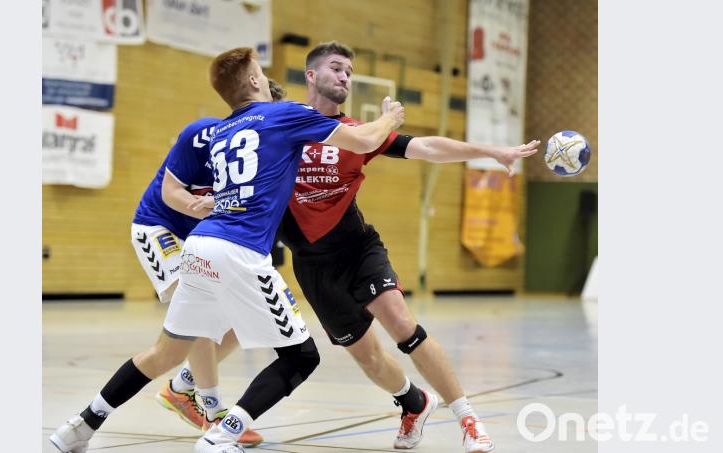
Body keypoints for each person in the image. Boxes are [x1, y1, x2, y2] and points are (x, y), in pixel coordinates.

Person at [49, 46, 404, 453]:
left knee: (167, 352)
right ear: (254, 81)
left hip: (200, 245)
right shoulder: (284, 115)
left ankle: (80, 426)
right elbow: (363, 139)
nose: (267, 78)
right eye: (261, 72)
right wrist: (389, 119)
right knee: (301, 357)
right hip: (239, 249)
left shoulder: (222, 131)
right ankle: (221, 434)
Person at [280, 41, 539, 452]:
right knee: (368, 359)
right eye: (336, 67)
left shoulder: (358, 133)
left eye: (349, 70)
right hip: (313, 265)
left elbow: (428, 147)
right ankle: (413, 403)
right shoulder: (283, 125)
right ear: (311, 75)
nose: (345, 76)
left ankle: (468, 420)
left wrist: (490, 151)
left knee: (404, 327)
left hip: (357, 251)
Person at [129, 82, 289, 448]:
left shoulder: (269, 160)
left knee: (240, 319)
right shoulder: (208, 134)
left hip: (203, 240)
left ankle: (181, 387)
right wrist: (200, 208)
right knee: (196, 311)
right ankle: (213, 411)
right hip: (160, 227)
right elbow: (171, 192)